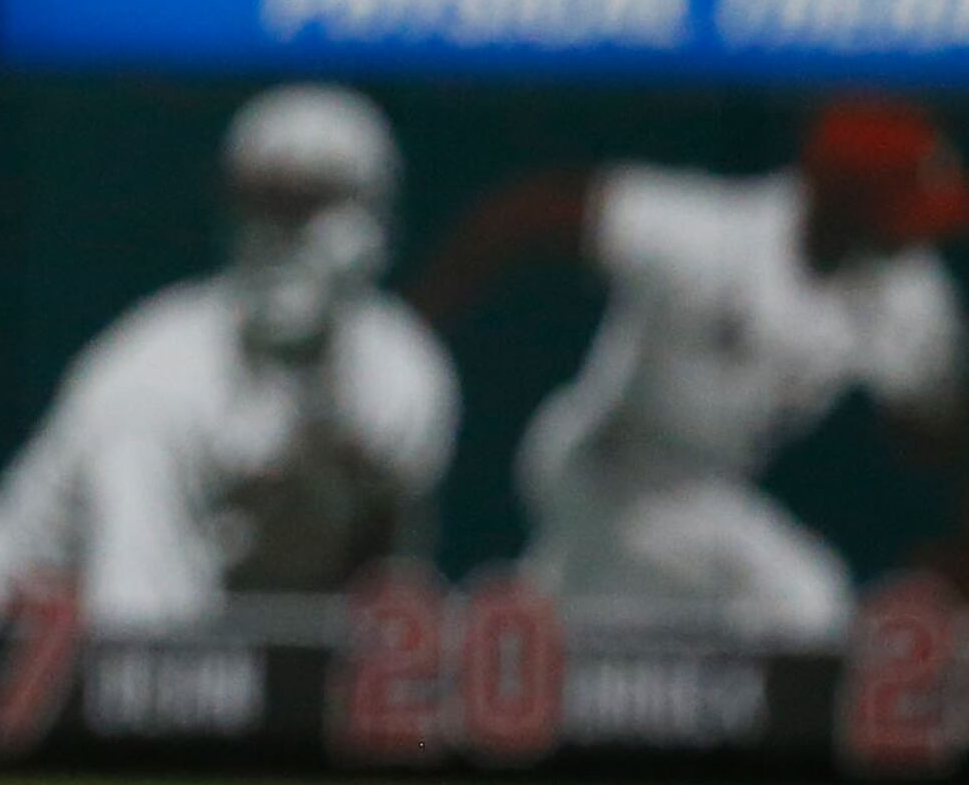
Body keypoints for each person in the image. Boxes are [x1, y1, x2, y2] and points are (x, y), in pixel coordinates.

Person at [0, 85, 457, 631]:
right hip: (7, 600)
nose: (280, 236)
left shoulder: (405, 380)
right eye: (263, 206)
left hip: (210, 617)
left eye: (310, 207)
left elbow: (382, 605)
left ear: (379, 228)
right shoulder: (161, 378)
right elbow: (140, 651)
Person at [410, 96, 968, 642]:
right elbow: (530, 213)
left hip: (704, 486)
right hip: (605, 459)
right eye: (898, 206)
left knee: (800, 609)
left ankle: (515, 625)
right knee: (783, 612)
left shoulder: (904, 290)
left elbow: (934, 431)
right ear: (848, 200)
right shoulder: (712, 237)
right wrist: (417, 329)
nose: (914, 229)